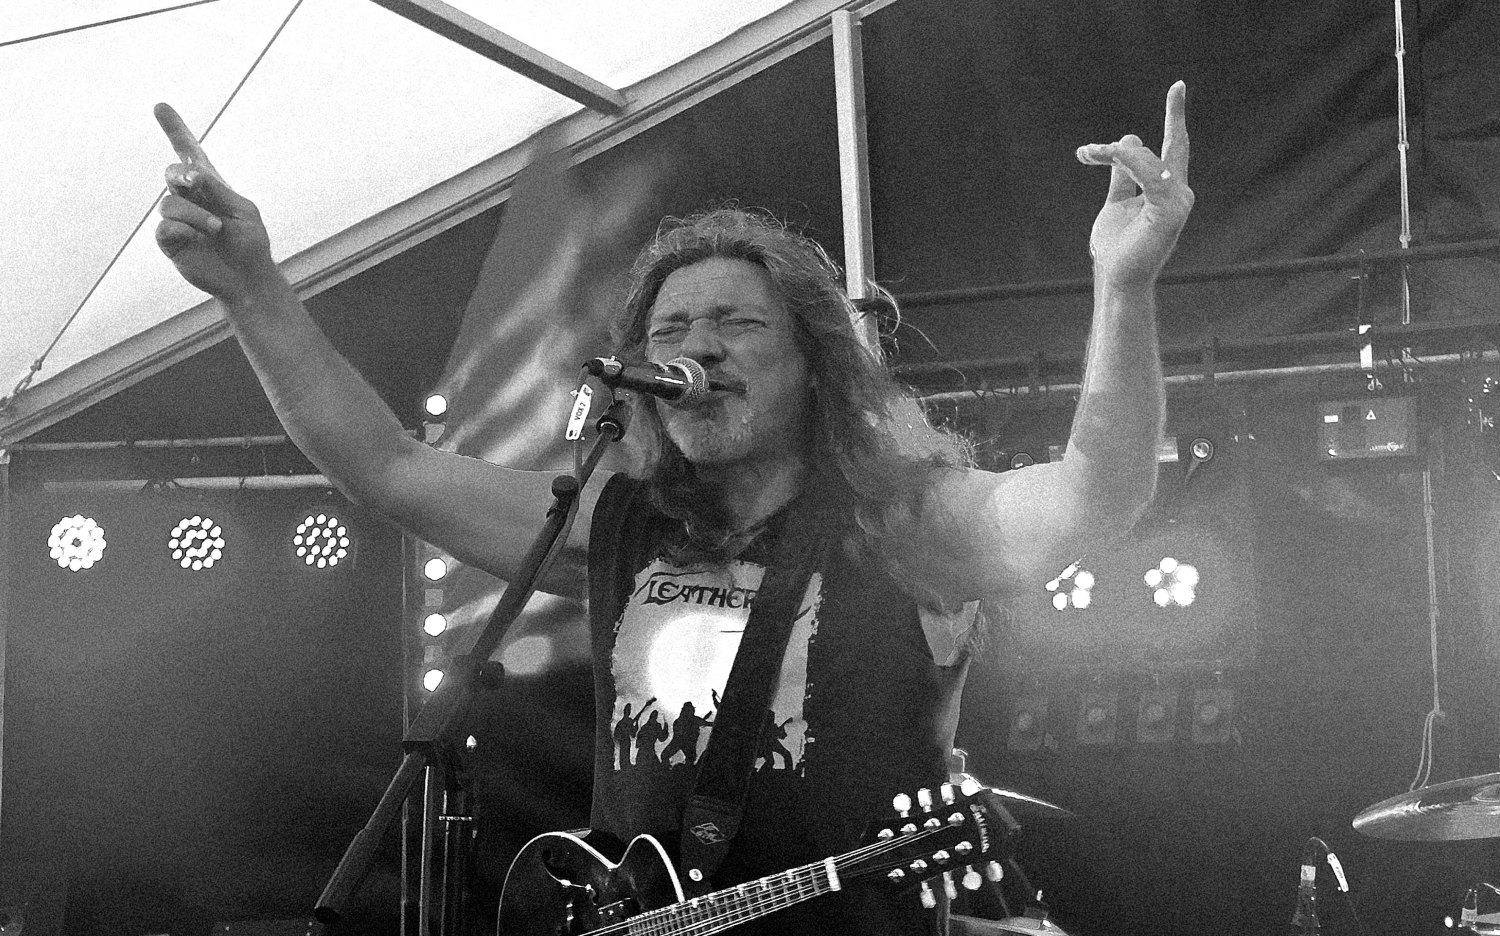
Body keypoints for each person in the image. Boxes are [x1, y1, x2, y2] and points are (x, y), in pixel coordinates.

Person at [152, 80, 1192, 935]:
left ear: (814, 362)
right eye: (672, 330)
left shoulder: (902, 521)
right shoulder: (620, 523)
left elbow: (1092, 500)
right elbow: (385, 469)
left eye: (738, 324)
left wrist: (1124, 288)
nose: (697, 348)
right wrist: (252, 291)